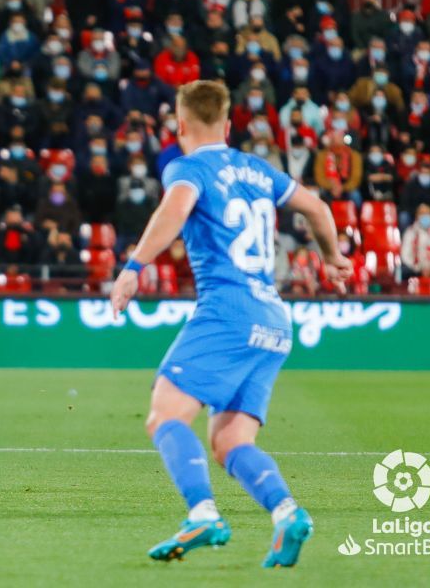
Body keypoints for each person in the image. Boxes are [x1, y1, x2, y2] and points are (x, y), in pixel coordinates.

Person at [109, 81, 351, 567]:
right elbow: (318, 208)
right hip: (274, 319)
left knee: (165, 414)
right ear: (228, 124)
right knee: (229, 442)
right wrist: (332, 258)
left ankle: (202, 514)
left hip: (228, 310)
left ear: (180, 124)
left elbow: (176, 207)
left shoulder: (187, 167)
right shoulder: (259, 170)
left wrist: (134, 266)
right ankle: (287, 514)